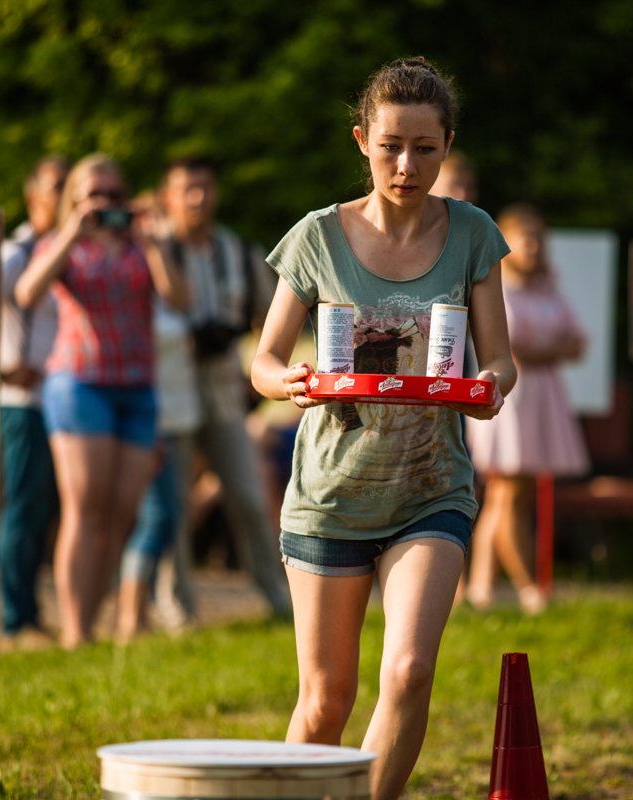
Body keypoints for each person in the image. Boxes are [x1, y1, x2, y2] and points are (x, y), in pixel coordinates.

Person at [250, 58, 515, 800]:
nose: (407, 165)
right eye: (392, 145)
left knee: (407, 671)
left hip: (430, 490)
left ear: (447, 146)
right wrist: (291, 382)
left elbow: (498, 359)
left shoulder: (472, 234)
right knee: (326, 701)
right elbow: (265, 361)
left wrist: (490, 385)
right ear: (363, 140)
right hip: (330, 495)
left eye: (426, 148)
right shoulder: (315, 239)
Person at [15, 153, 188, 649]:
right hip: (80, 382)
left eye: (113, 195)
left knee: (123, 513)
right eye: (93, 194)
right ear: (74, 199)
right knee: (85, 507)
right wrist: (73, 230)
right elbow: (27, 294)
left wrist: (154, 244)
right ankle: (76, 632)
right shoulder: (60, 243)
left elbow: (180, 298)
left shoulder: (143, 244)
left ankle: (93, 619)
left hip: (138, 387)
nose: (104, 204)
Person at [159, 155, 293, 618]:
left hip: (222, 387)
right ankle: (176, 606)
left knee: (250, 496)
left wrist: (254, 374)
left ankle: (277, 598)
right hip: (167, 388)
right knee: (172, 502)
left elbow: (269, 320)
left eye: (205, 188)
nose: (197, 198)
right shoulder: (153, 250)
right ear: (167, 198)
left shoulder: (239, 251)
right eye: (186, 189)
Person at [464, 204, 588, 613]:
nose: (534, 246)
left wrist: (540, 350)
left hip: (542, 398)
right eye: (525, 237)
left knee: (508, 497)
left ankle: (480, 589)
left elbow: (577, 342)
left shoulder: (548, 288)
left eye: (539, 237)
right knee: (508, 493)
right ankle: (527, 587)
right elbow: (508, 349)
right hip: (511, 398)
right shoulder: (497, 288)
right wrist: (547, 350)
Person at [116, 191, 202, 639]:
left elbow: (181, 299)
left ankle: (135, 614)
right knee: (155, 517)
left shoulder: (161, 265)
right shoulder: (126, 277)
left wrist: (155, 246)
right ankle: (129, 618)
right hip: (146, 417)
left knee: (166, 514)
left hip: (174, 416)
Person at [0, 155, 67, 647]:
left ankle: (30, 615)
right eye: (56, 186)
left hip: (59, 400)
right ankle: (13, 620)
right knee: (22, 510)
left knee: (43, 513)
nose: (65, 196)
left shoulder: (59, 249)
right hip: (22, 402)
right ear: (33, 197)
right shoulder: (15, 254)